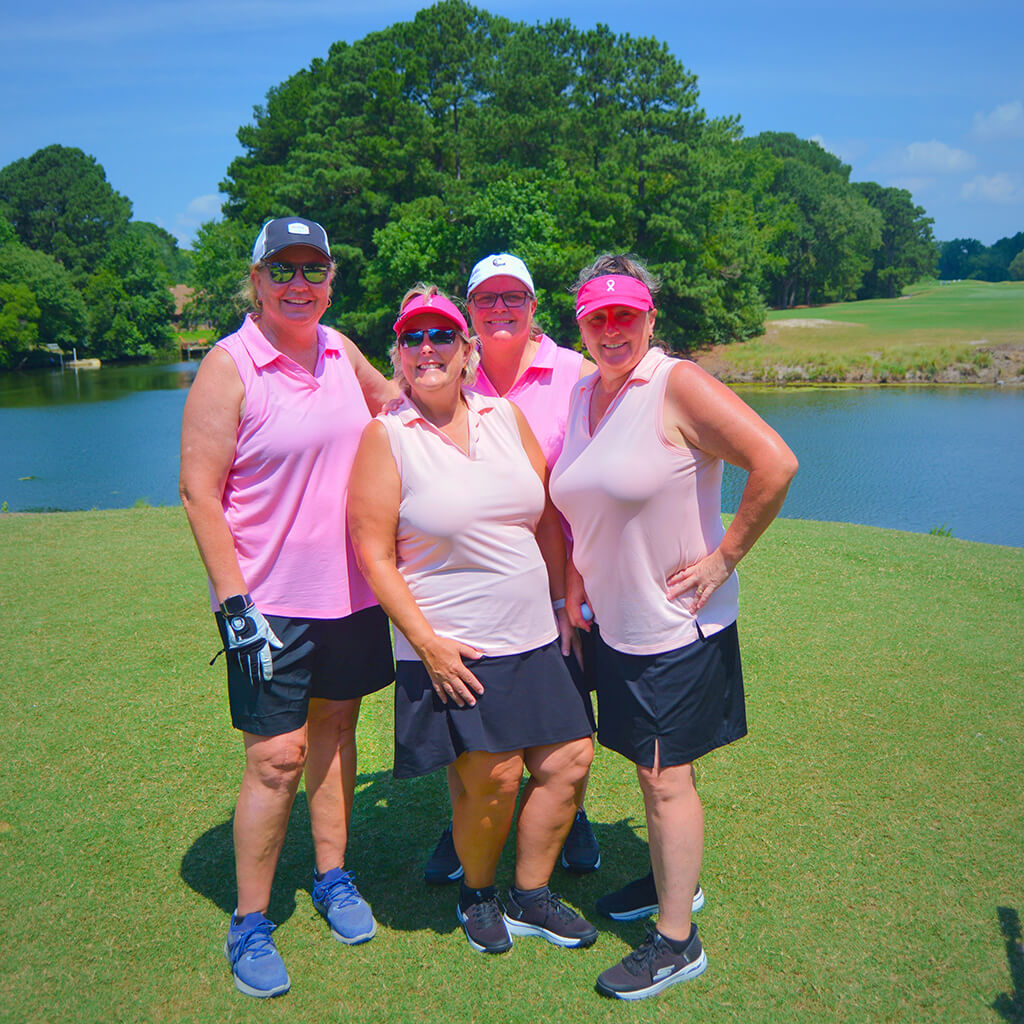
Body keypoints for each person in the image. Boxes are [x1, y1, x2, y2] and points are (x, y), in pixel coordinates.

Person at [549, 254, 798, 1000]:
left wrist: (724, 557)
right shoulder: (583, 395)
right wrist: (572, 584)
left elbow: (775, 462)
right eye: (599, 317)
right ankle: (672, 884)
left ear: (651, 317)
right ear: (583, 325)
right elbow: (581, 501)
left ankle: (676, 942)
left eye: (627, 314)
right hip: (612, 623)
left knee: (664, 779)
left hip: (673, 628)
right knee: (648, 768)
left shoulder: (675, 384)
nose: (613, 329)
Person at [179, 217, 398, 999]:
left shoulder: (339, 348)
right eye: (284, 270)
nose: (299, 285)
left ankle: (334, 875)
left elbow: (399, 406)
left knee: (337, 732)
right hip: (267, 604)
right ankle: (250, 919)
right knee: (276, 758)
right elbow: (199, 492)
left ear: (331, 278)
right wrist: (235, 606)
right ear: (257, 279)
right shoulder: (230, 365)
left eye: (314, 270)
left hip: (350, 593)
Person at [347, 285, 598, 955]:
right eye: (412, 339)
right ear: (398, 357)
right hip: (452, 643)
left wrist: (556, 602)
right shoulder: (387, 437)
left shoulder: (504, 415)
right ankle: (478, 894)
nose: (426, 349)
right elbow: (373, 555)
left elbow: (544, 517)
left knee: (571, 759)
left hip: (534, 633)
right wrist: (426, 645)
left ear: (467, 351)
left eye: (441, 337)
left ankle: (531, 893)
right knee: (494, 776)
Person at [421, 253, 602, 886]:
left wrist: (566, 592)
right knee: (474, 728)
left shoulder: (575, 374)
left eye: (513, 297)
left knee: (563, 712)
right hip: (472, 588)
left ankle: (566, 816)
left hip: (569, 576)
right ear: (469, 314)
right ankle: (464, 822)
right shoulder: (442, 372)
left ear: (533, 306)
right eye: (487, 299)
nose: (501, 308)